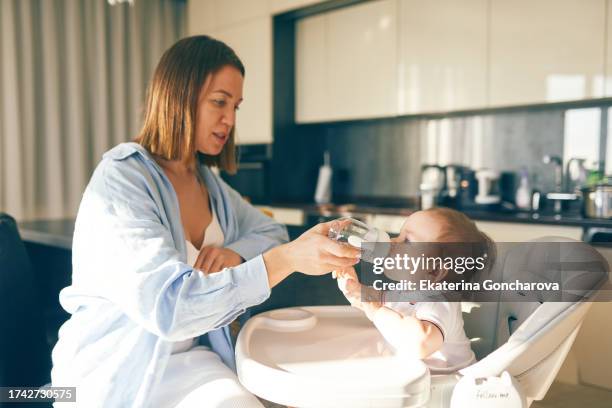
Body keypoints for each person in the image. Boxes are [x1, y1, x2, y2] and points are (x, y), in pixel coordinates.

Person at [51, 35, 360, 408]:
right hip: (119, 371)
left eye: (236, 107)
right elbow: (171, 308)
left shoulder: (208, 182)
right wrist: (286, 260)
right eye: (219, 102)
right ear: (179, 95)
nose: (229, 120)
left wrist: (235, 253)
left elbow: (270, 231)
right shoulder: (122, 179)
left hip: (191, 360)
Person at [336, 208, 496, 373]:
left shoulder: (439, 301)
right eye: (399, 234)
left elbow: (420, 344)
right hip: (419, 383)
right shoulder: (409, 288)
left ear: (434, 271)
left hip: (450, 388)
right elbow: (381, 300)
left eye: (407, 241)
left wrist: (375, 310)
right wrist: (356, 289)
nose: (391, 241)